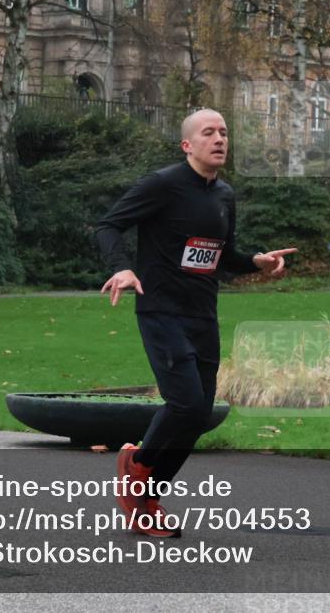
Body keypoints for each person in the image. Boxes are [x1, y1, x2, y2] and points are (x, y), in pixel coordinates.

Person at [94, 108, 296, 538]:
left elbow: (222, 254)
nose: (219, 139)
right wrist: (123, 268)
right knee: (184, 402)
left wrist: (256, 262)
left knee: (199, 413)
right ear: (188, 145)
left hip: (203, 314)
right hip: (162, 311)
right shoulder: (162, 185)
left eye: (223, 132)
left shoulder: (224, 195)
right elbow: (109, 225)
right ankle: (137, 471)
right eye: (209, 133)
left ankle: (148, 494)